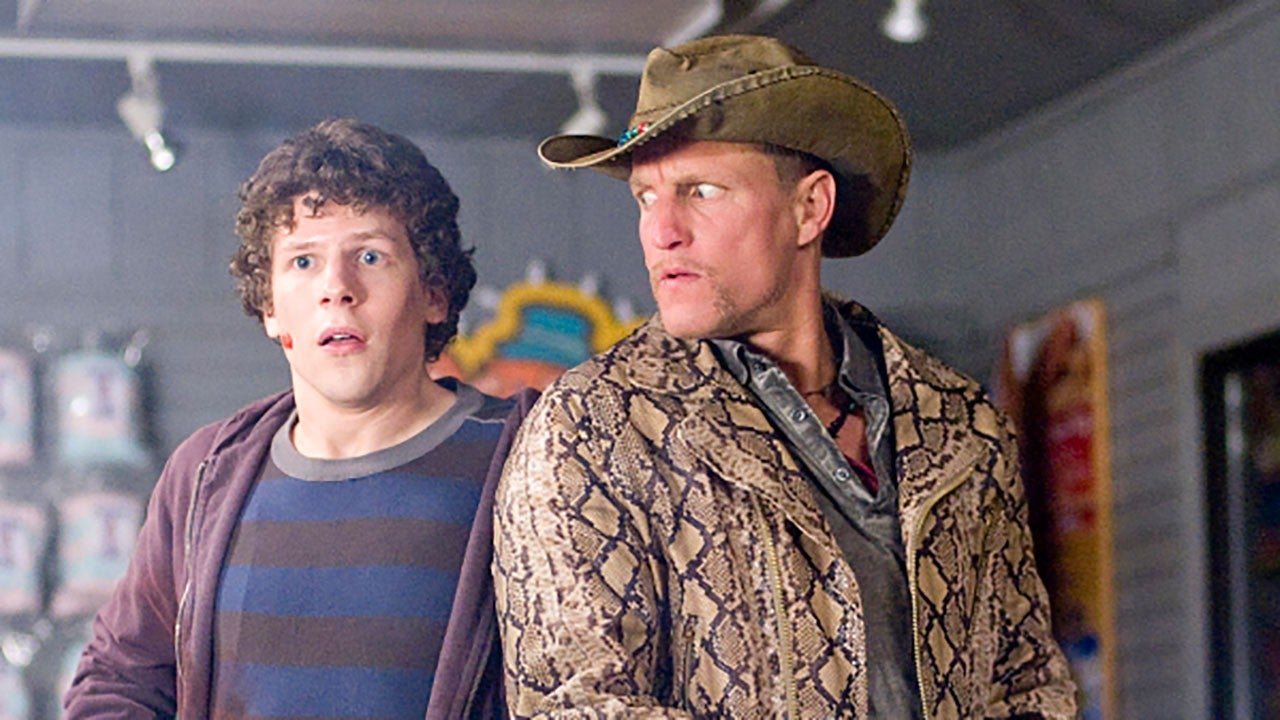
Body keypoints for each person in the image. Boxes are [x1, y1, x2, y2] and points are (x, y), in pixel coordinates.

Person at [494, 35, 1078, 718]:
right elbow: (576, 706)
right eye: (645, 197)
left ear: (809, 208)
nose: (661, 231)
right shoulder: (595, 427)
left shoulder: (959, 425)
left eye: (700, 191)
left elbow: (1030, 685)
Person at [64, 118, 533, 719]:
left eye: (370, 256)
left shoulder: (526, 460)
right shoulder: (208, 474)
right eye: (304, 261)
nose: (336, 288)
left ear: (434, 293)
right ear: (270, 307)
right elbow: (118, 679)